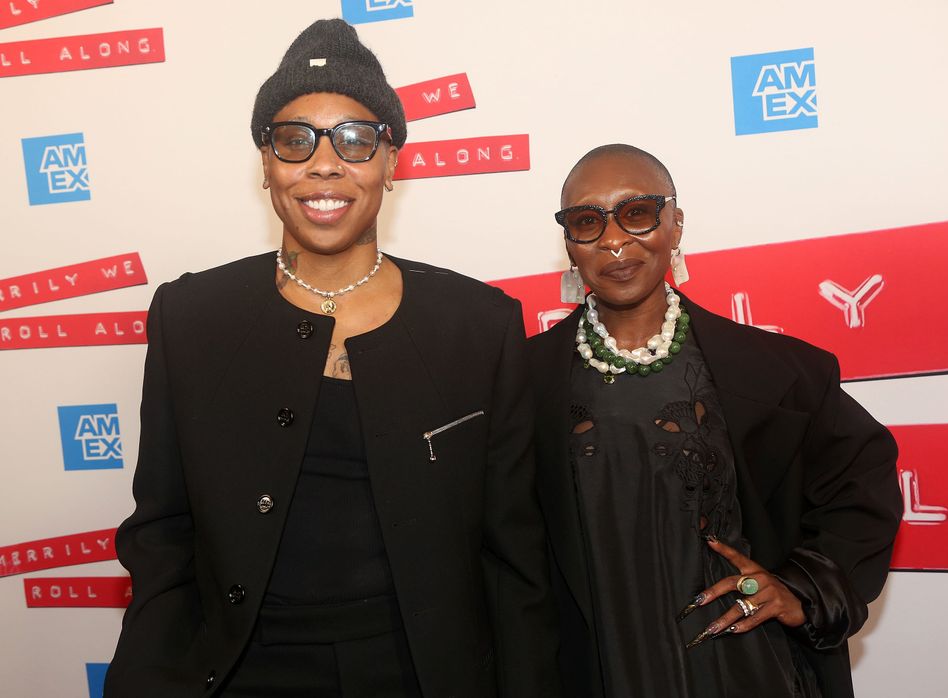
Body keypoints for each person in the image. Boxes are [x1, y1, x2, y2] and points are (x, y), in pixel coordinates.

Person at [104, 19, 558, 698]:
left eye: (355, 139)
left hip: (420, 675)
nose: (324, 165)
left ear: (391, 162)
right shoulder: (190, 318)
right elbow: (162, 535)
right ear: (266, 164)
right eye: (296, 140)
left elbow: (516, 561)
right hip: (241, 673)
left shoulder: (477, 325)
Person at [529, 143, 902, 698]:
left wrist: (803, 587)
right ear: (569, 243)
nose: (613, 240)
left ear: (675, 224)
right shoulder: (521, 382)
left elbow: (861, 483)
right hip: (593, 665)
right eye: (588, 221)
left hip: (741, 664)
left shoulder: (778, 371)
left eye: (637, 213)